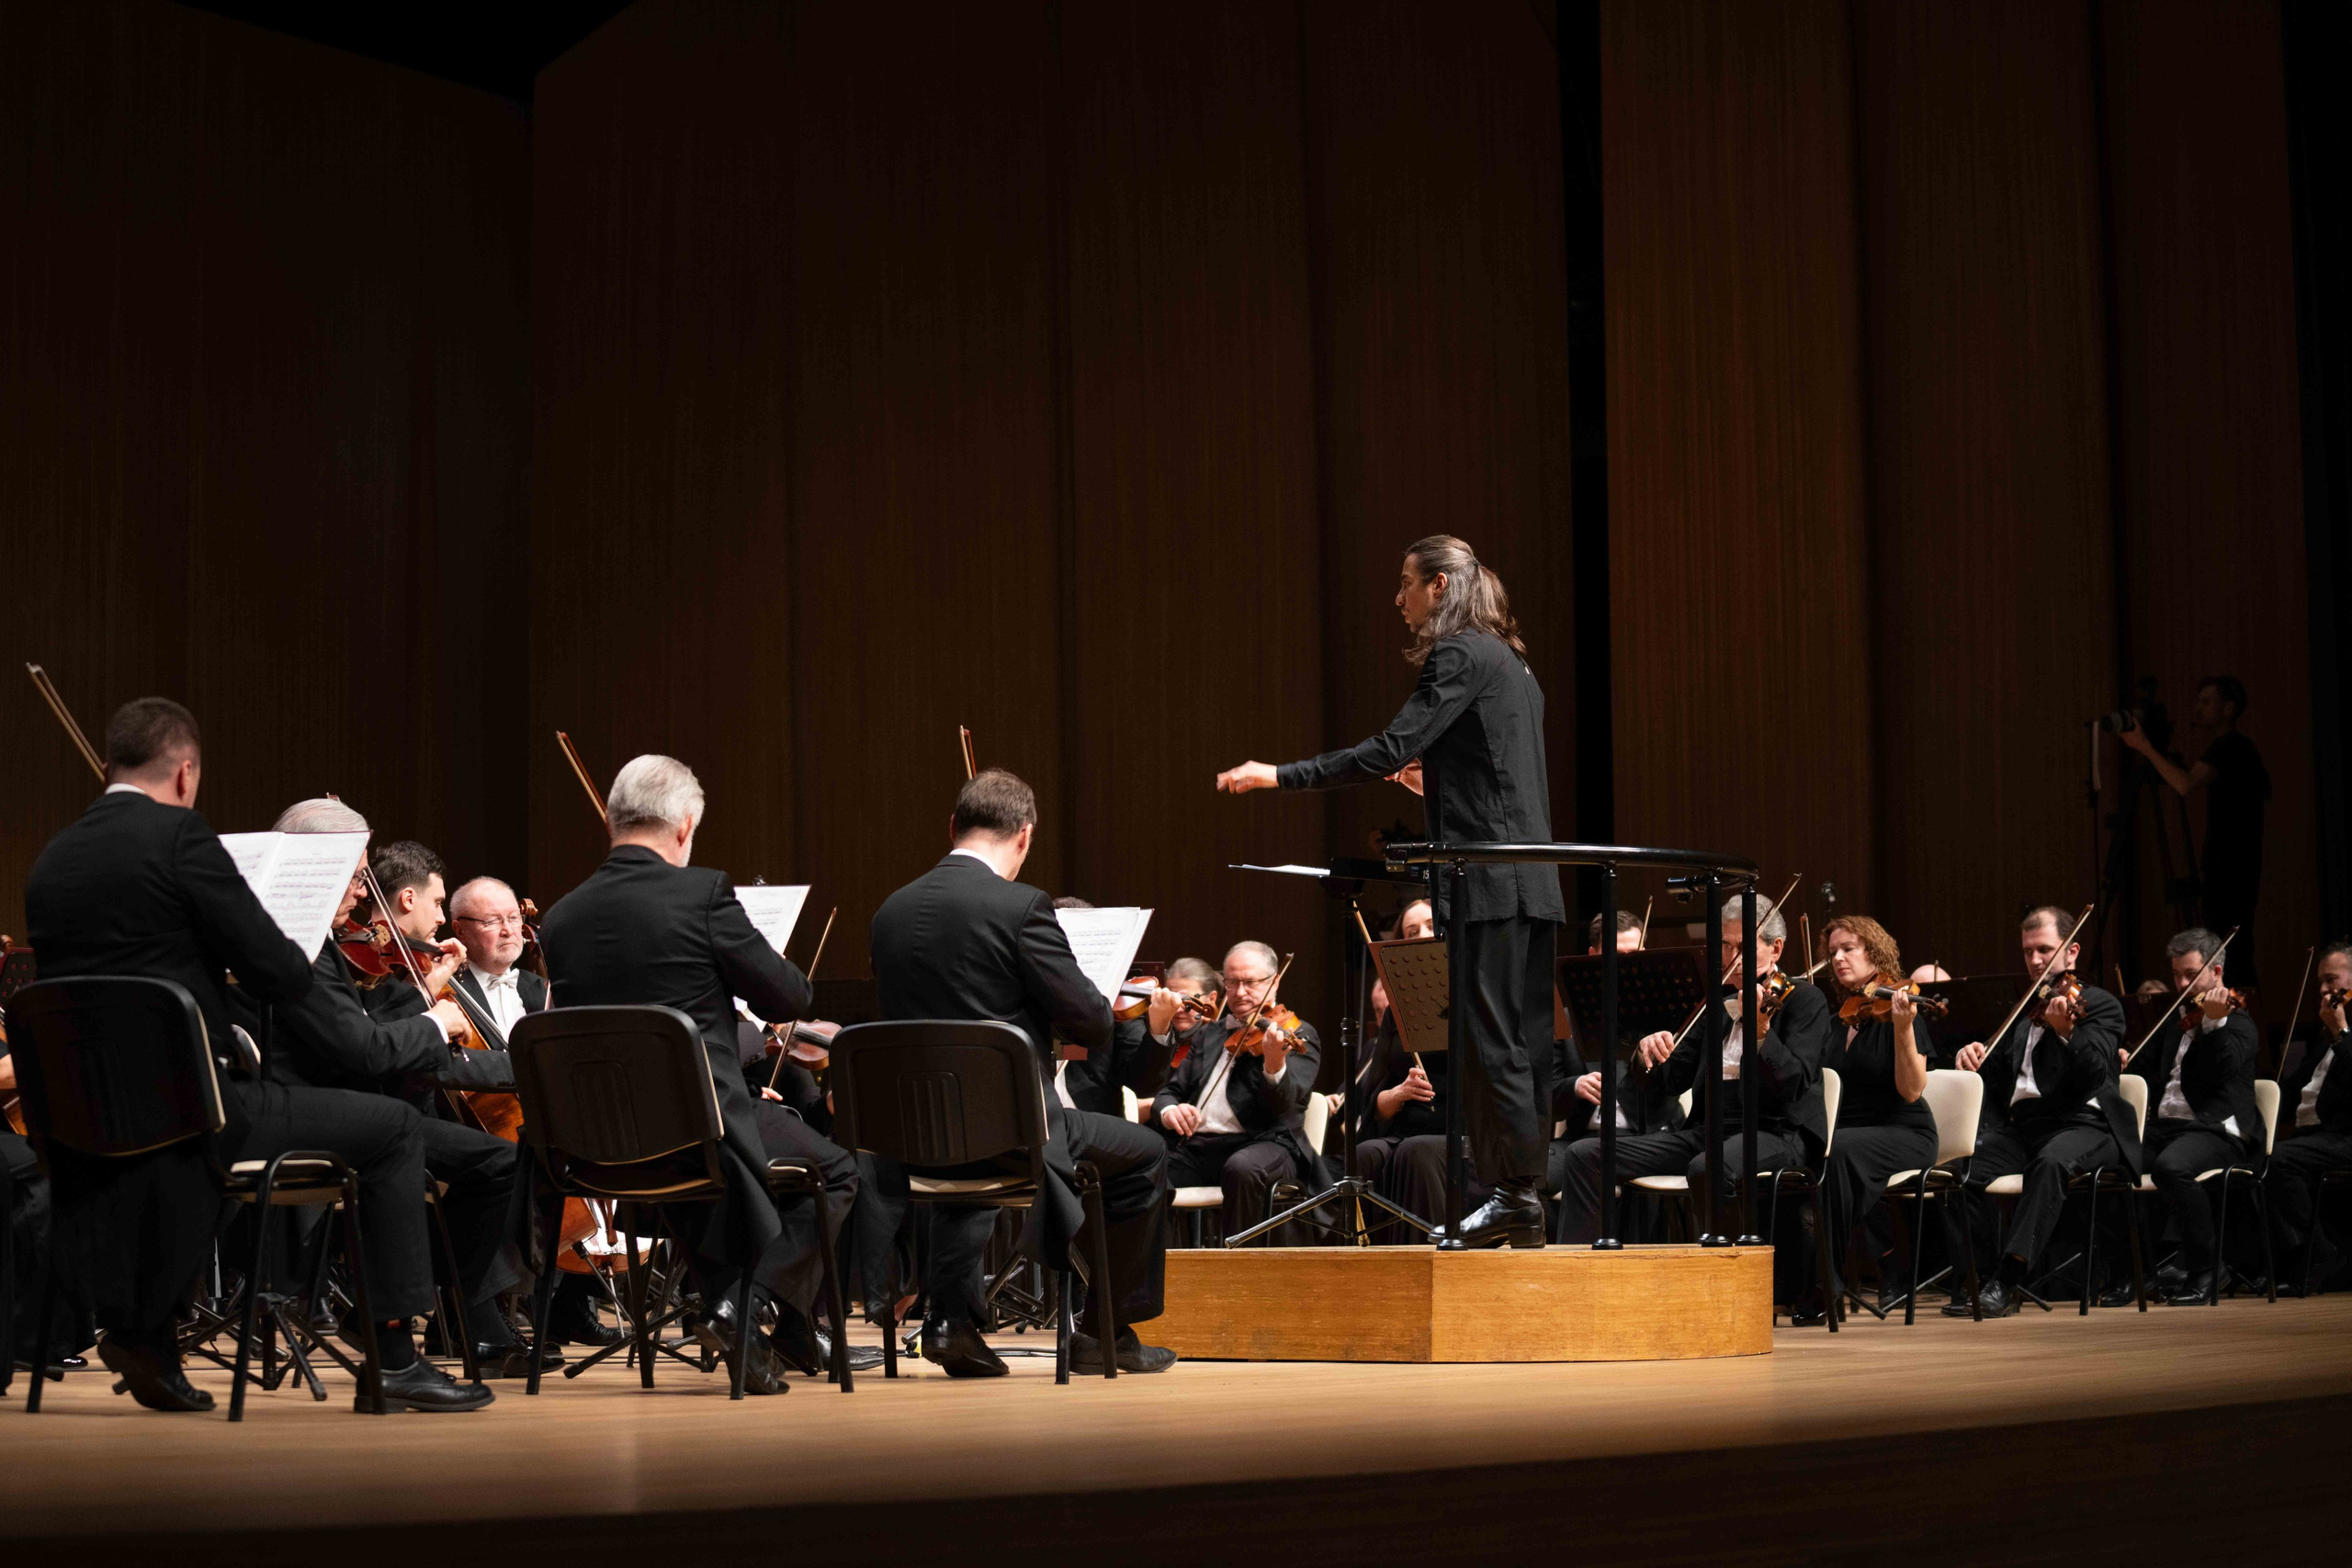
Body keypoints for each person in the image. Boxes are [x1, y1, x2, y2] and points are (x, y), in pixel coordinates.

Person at [23, 698, 488, 1411]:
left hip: (83, 1116)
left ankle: (147, 1335)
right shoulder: (182, 839)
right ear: (186, 773)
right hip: (192, 1110)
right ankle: (395, 1357)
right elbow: (278, 972)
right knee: (396, 1129)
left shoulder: (53, 859)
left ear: (111, 764)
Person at [1216, 535, 1563, 1247]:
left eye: (1406, 582)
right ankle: (1522, 1199)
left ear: (1440, 585)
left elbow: (1387, 746)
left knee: (1489, 1044)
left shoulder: (1458, 652)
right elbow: (1499, 778)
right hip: (1532, 879)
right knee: (1520, 1043)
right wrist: (1437, 785)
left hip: (1488, 883)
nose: (1397, 598)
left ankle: (1514, 1197)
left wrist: (1278, 775)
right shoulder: (1515, 664)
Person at [536, 754, 859, 1394]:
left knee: (708, 1182)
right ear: (684, 825)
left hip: (595, 1142)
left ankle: (761, 1335)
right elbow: (789, 997)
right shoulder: (703, 893)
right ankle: (747, 1305)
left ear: (611, 819)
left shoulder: (562, 916)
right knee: (836, 1172)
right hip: (698, 1126)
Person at [870, 769, 1174, 1376]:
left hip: (912, 1136)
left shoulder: (890, 911)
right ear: (1025, 836)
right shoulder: (1021, 906)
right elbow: (1093, 1022)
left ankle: (951, 1321)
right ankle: (1104, 1332)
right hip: (1008, 1130)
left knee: (969, 1156)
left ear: (952, 827)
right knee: (1146, 1153)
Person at [261, 803, 533, 1373]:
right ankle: (395, 1327)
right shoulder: (297, 942)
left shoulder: (311, 940)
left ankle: (410, 1309)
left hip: (339, 1098)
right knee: (405, 1129)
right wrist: (435, 1020)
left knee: (500, 1162)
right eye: (357, 874)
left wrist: (429, 998)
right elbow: (363, 1049)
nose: (363, 892)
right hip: (311, 1107)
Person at [1555, 897, 1827, 1252]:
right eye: (1725, 945)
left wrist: (1761, 1033)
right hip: (1709, 1131)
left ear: (1775, 948)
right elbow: (1672, 1081)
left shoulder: (1805, 999)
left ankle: (1729, 1274)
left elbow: (1794, 1085)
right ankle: (1581, 1269)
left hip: (1776, 1130)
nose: (1732, 958)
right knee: (1585, 1155)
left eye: (1743, 947)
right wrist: (1647, 1053)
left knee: (1708, 1168)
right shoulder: (1714, 1002)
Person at [1946, 906, 2139, 1318]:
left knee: (2050, 1163)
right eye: (2028, 951)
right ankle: (1980, 1277)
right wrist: (1973, 1055)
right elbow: (2004, 1077)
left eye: (2045, 950)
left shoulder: (2099, 1005)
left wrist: (2068, 1031)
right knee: (1961, 1169)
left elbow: (2097, 1073)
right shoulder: (2025, 1010)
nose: (2035, 960)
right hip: (2026, 1129)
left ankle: (2007, 1282)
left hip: (2086, 1125)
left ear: (2072, 952)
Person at [2105, 928, 2263, 1307]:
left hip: (2218, 1130)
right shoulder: (2177, 1021)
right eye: (2176, 974)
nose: (2181, 984)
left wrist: (2214, 1025)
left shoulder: (2239, 1023)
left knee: (2171, 1168)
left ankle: (2207, 1269)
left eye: (2191, 974)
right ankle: (2136, 1274)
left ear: (2217, 973)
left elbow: (2219, 1070)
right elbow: (2145, 1065)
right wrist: (2124, 1058)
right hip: (2167, 1129)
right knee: (2112, 1164)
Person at [1149, 942, 1324, 1244]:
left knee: (1242, 1168)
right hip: (1199, 1148)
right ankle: (1157, 1269)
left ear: (1275, 982)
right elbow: (1170, 1091)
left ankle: (1240, 1270)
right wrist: (1169, 1111)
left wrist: (1274, 1063)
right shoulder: (1210, 1033)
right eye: (1232, 982)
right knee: (1145, 1167)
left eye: (1250, 982)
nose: (1240, 992)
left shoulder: (1297, 1032)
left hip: (1266, 1144)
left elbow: (1282, 1106)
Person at [1811, 916, 1938, 1322]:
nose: (1838, 958)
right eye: (1833, 952)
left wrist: (1903, 1029)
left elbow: (1912, 1090)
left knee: (1839, 1153)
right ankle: (1802, 1277)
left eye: (1849, 948)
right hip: (1852, 1135)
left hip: (1905, 1131)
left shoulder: (1900, 1013)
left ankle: (1824, 1284)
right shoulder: (1838, 1021)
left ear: (1875, 953)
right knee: (1805, 1152)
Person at [2120, 676, 2270, 986]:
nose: (2198, 708)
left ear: (2228, 708)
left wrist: (2144, 746)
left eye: (2207, 701)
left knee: (2230, 948)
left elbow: (2184, 783)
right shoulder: (2238, 747)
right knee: (2233, 946)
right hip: (2235, 861)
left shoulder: (2229, 745)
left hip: (2230, 864)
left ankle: (2238, 1009)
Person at [2267, 942, 2350, 1292]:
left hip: (2344, 1135)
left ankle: (2321, 1252)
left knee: (2279, 1161)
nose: (2323, 989)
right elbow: (2295, 1085)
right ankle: (2290, 1259)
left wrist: (2342, 1034)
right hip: (2316, 1135)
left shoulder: (2339, 1029)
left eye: (2331, 979)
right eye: (2320, 982)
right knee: (2254, 1156)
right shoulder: (2325, 1029)